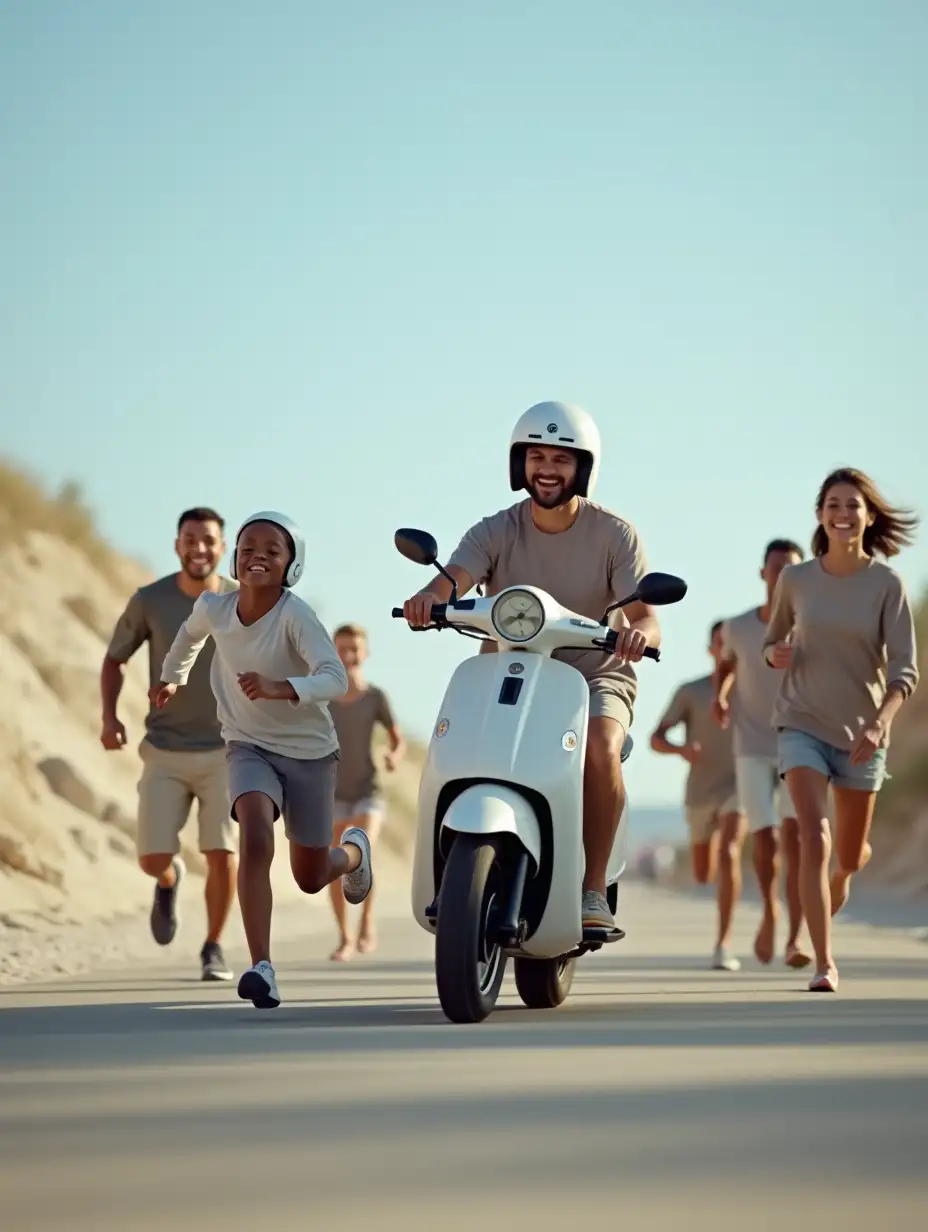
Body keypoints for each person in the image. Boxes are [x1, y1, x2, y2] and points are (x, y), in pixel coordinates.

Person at [402, 401, 659, 933]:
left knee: (600, 747)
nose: (546, 469)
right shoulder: (495, 530)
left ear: (582, 469)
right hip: (508, 669)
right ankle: (452, 872)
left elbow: (645, 614)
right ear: (519, 464)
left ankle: (591, 892)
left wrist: (639, 635)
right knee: (459, 746)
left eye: (560, 459)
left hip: (595, 672)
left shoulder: (615, 535)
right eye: (536, 456)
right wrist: (425, 600)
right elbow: (451, 580)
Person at [153, 510, 372, 1010]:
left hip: (310, 755)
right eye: (249, 548)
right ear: (235, 555)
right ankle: (261, 968)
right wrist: (173, 676)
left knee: (311, 876)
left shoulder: (296, 616)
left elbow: (334, 679)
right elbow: (188, 637)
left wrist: (282, 688)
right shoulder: (215, 607)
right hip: (247, 745)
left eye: (272, 551)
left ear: (291, 565)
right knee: (254, 832)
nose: (258, 558)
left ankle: (355, 854)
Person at [763, 468, 919, 993]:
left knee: (847, 856)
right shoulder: (796, 579)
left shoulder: (886, 585)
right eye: (833, 504)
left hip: (862, 735)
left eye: (853, 505)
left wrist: (880, 724)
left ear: (868, 516)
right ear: (820, 515)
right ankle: (824, 962)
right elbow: (772, 638)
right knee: (814, 834)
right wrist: (773, 653)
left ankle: (844, 872)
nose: (843, 513)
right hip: (800, 721)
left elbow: (905, 671)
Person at [101, 507, 238, 982]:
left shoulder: (248, 601)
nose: (199, 548)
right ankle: (169, 877)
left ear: (223, 548)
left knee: (223, 851)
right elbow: (114, 660)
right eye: (190, 540)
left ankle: (214, 947)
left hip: (227, 750)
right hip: (164, 748)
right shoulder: (150, 601)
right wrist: (108, 717)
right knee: (151, 857)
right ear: (177, 545)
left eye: (209, 541)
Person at [712, 539, 811, 970]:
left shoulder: (813, 626)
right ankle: (770, 908)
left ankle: (795, 936)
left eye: (791, 569)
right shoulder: (737, 626)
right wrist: (720, 697)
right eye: (776, 569)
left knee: (798, 842)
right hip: (751, 744)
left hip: (800, 742)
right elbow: (726, 664)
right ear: (763, 574)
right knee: (765, 840)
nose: (782, 576)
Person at [651, 620, 746, 972]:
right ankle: (708, 871)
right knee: (705, 871)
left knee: (730, 849)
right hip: (700, 793)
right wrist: (680, 750)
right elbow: (655, 737)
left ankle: (723, 944)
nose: (728, 650)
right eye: (721, 644)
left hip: (739, 786)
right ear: (710, 650)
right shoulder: (690, 692)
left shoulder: (754, 691)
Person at [327, 623, 405, 961]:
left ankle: (367, 920)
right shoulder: (323, 698)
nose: (347, 655)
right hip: (331, 794)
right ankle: (344, 937)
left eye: (354, 649)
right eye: (341, 648)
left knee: (362, 851)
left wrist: (394, 756)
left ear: (365, 653)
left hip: (367, 792)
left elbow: (397, 737)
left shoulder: (375, 697)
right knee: (334, 863)